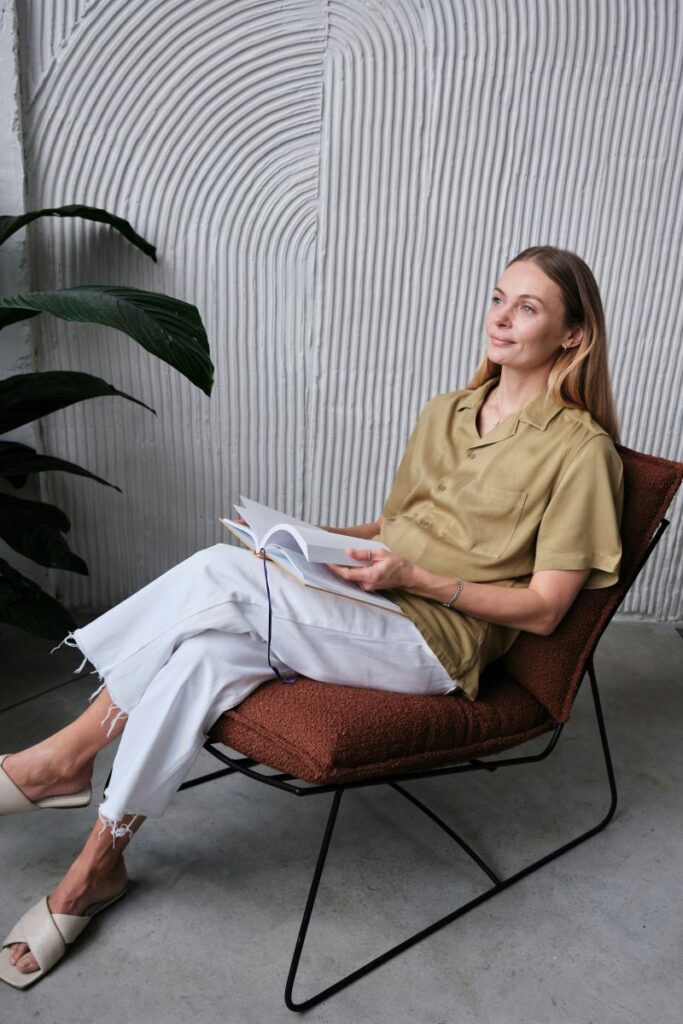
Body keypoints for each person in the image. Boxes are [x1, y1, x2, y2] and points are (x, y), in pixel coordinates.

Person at [0, 245, 624, 988]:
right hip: (363, 605)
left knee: (214, 577)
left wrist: (417, 576)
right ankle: (97, 865)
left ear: (572, 335)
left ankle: (66, 756)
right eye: (498, 298)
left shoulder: (580, 451)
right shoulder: (445, 412)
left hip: (433, 643)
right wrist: (306, 545)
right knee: (203, 651)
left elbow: (548, 611)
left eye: (527, 308)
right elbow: (397, 525)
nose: (501, 318)